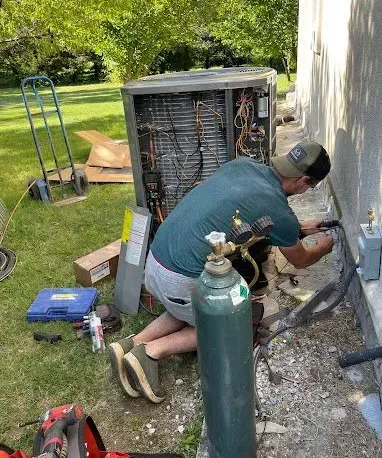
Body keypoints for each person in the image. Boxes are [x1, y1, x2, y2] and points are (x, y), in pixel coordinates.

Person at [109, 141, 334, 403]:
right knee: (228, 324)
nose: (308, 191)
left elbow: (260, 219)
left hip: (155, 262)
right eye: (311, 186)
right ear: (305, 180)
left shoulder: (244, 165)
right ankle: (150, 352)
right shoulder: (278, 208)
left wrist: (299, 228)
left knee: (193, 305)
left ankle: (131, 343)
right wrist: (324, 248)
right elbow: (301, 260)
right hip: (178, 280)